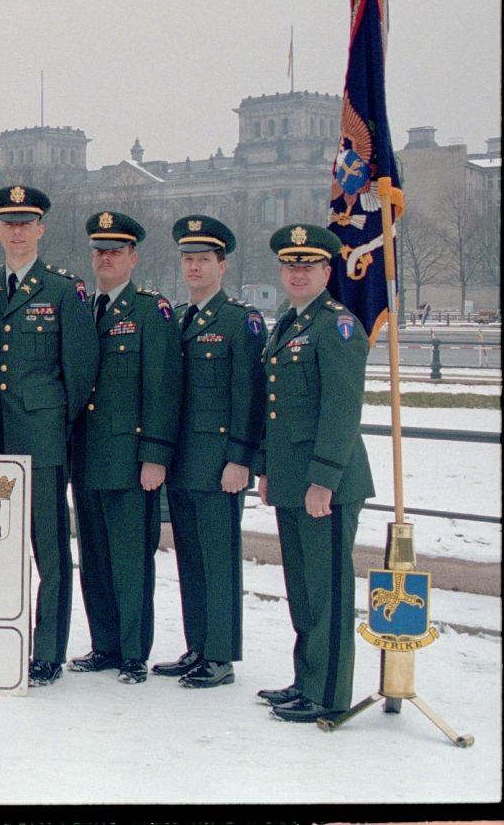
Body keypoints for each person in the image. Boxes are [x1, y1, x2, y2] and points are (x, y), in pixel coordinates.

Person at [0, 185, 97, 687]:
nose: (18, 231)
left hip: (42, 440)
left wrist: (54, 426)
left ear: (41, 229)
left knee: (49, 550)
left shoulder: (63, 291)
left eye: (27, 223)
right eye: (9, 223)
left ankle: (47, 650)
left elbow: (80, 373)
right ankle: (2, 637)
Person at [255, 224, 374, 723]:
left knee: (327, 591)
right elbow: (276, 407)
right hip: (292, 479)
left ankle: (327, 692)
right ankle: (305, 679)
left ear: (328, 271)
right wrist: (267, 469)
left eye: (308, 266)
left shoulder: (338, 325)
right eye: (290, 265)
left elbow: (342, 409)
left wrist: (323, 479)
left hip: (327, 482)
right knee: (302, 588)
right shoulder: (289, 322)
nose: (297, 273)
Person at [152, 215, 266, 689]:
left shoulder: (241, 321)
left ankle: (220, 655)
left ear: (222, 265)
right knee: (190, 560)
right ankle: (197, 645)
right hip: (182, 461)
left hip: (220, 463)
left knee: (219, 559)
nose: (194, 267)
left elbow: (250, 394)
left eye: (204, 259)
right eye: (188, 259)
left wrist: (241, 458)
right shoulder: (179, 318)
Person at [69, 210, 182, 685]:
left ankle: (134, 651)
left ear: (133, 258)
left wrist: (155, 454)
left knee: (131, 559)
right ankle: (106, 645)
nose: (105, 259)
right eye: (99, 251)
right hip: (88, 457)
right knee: (94, 557)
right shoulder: (84, 308)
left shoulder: (149, 312)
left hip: (131, 459)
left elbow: (162, 386)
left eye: (115, 251)